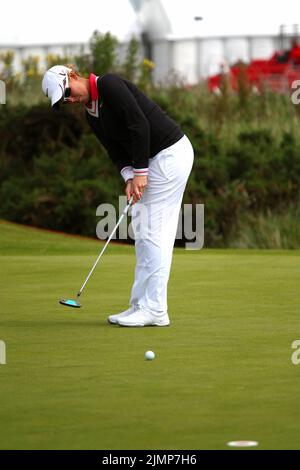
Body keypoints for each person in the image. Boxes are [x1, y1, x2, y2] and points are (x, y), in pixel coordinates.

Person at [42, 65, 194, 327]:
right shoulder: (93, 114)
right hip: (153, 160)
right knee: (143, 230)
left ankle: (155, 309)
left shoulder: (109, 85)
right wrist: (129, 177)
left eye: (67, 91)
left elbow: (139, 126)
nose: (70, 99)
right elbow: (115, 152)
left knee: (154, 231)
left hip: (169, 155)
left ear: (72, 76)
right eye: (64, 99)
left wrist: (141, 173)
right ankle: (140, 305)